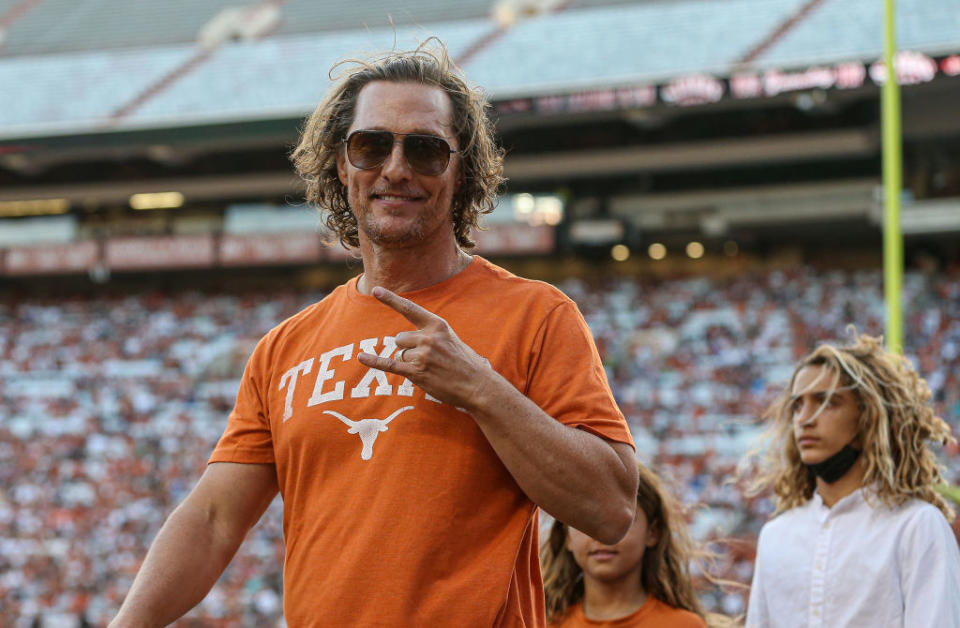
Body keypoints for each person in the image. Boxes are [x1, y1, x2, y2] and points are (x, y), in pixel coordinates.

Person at [110, 39, 638, 627]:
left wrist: (481, 389)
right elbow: (212, 520)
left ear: (460, 170)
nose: (395, 168)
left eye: (426, 150)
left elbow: (611, 508)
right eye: (371, 145)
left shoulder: (536, 315)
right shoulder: (284, 348)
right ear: (342, 163)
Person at [745, 332, 960, 627]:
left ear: (867, 417)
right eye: (798, 405)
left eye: (826, 402)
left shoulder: (916, 527)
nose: (805, 418)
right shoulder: (775, 536)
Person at [541, 463, 717, 628]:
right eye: (584, 520)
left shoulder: (683, 625)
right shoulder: (542, 623)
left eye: (617, 521)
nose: (601, 536)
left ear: (652, 532)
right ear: (567, 537)